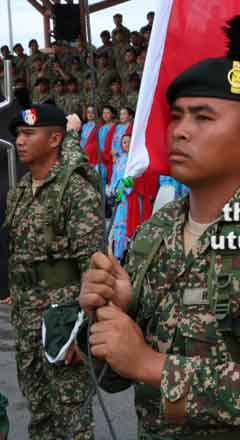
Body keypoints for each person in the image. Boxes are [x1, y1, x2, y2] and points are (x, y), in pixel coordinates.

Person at [78, 15, 240, 438]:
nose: (180, 132)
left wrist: (151, 365)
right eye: (177, 117)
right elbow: (115, 377)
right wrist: (113, 311)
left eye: (203, 118)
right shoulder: (156, 233)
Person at [3, 105, 104, 439]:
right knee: (40, 415)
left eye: (29, 134)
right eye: (18, 133)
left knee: (72, 420)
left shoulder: (75, 192)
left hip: (63, 325)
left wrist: (82, 331)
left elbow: (95, 268)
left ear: (55, 139)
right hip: (28, 322)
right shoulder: (19, 193)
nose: (20, 140)